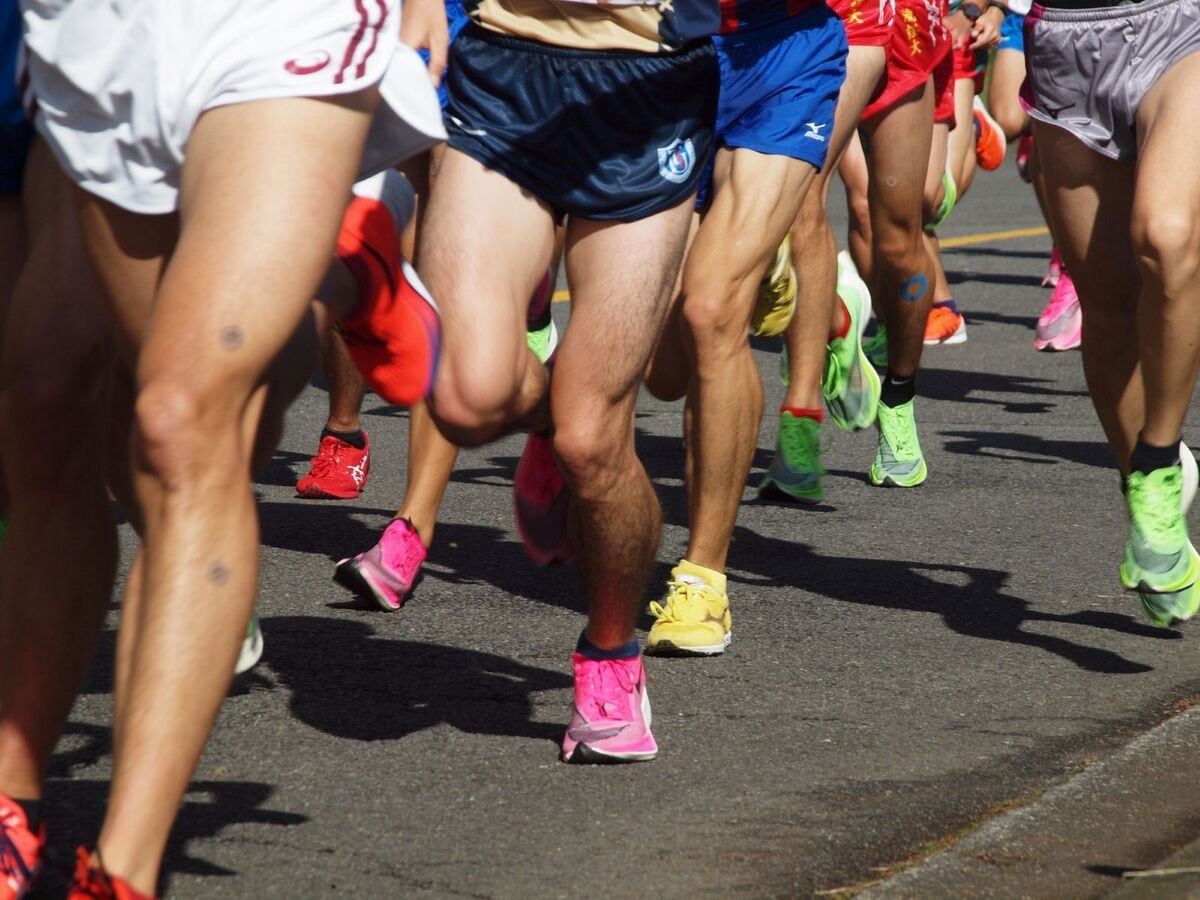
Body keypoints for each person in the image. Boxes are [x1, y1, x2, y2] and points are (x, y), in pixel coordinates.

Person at [0, 1, 446, 895]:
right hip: (98, 31)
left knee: (177, 423)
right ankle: (342, 273)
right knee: (54, 407)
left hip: (280, 23)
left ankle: (119, 869)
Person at [422, 0, 719, 762]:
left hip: (648, 84)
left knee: (594, 442)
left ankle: (611, 656)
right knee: (465, 395)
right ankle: (546, 416)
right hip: (504, 70)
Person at [640, 0, 848, 655]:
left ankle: (703, 579)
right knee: (663, 372)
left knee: (711, 312)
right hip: (668, 53)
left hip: (785, 47)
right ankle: (756, 255)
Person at [1024, 0, 1200, 626]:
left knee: (1167, 236)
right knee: (1108, 307)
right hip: (1063, 45)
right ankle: (1149, 506)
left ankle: (1158, 462)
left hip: (1179, 24)